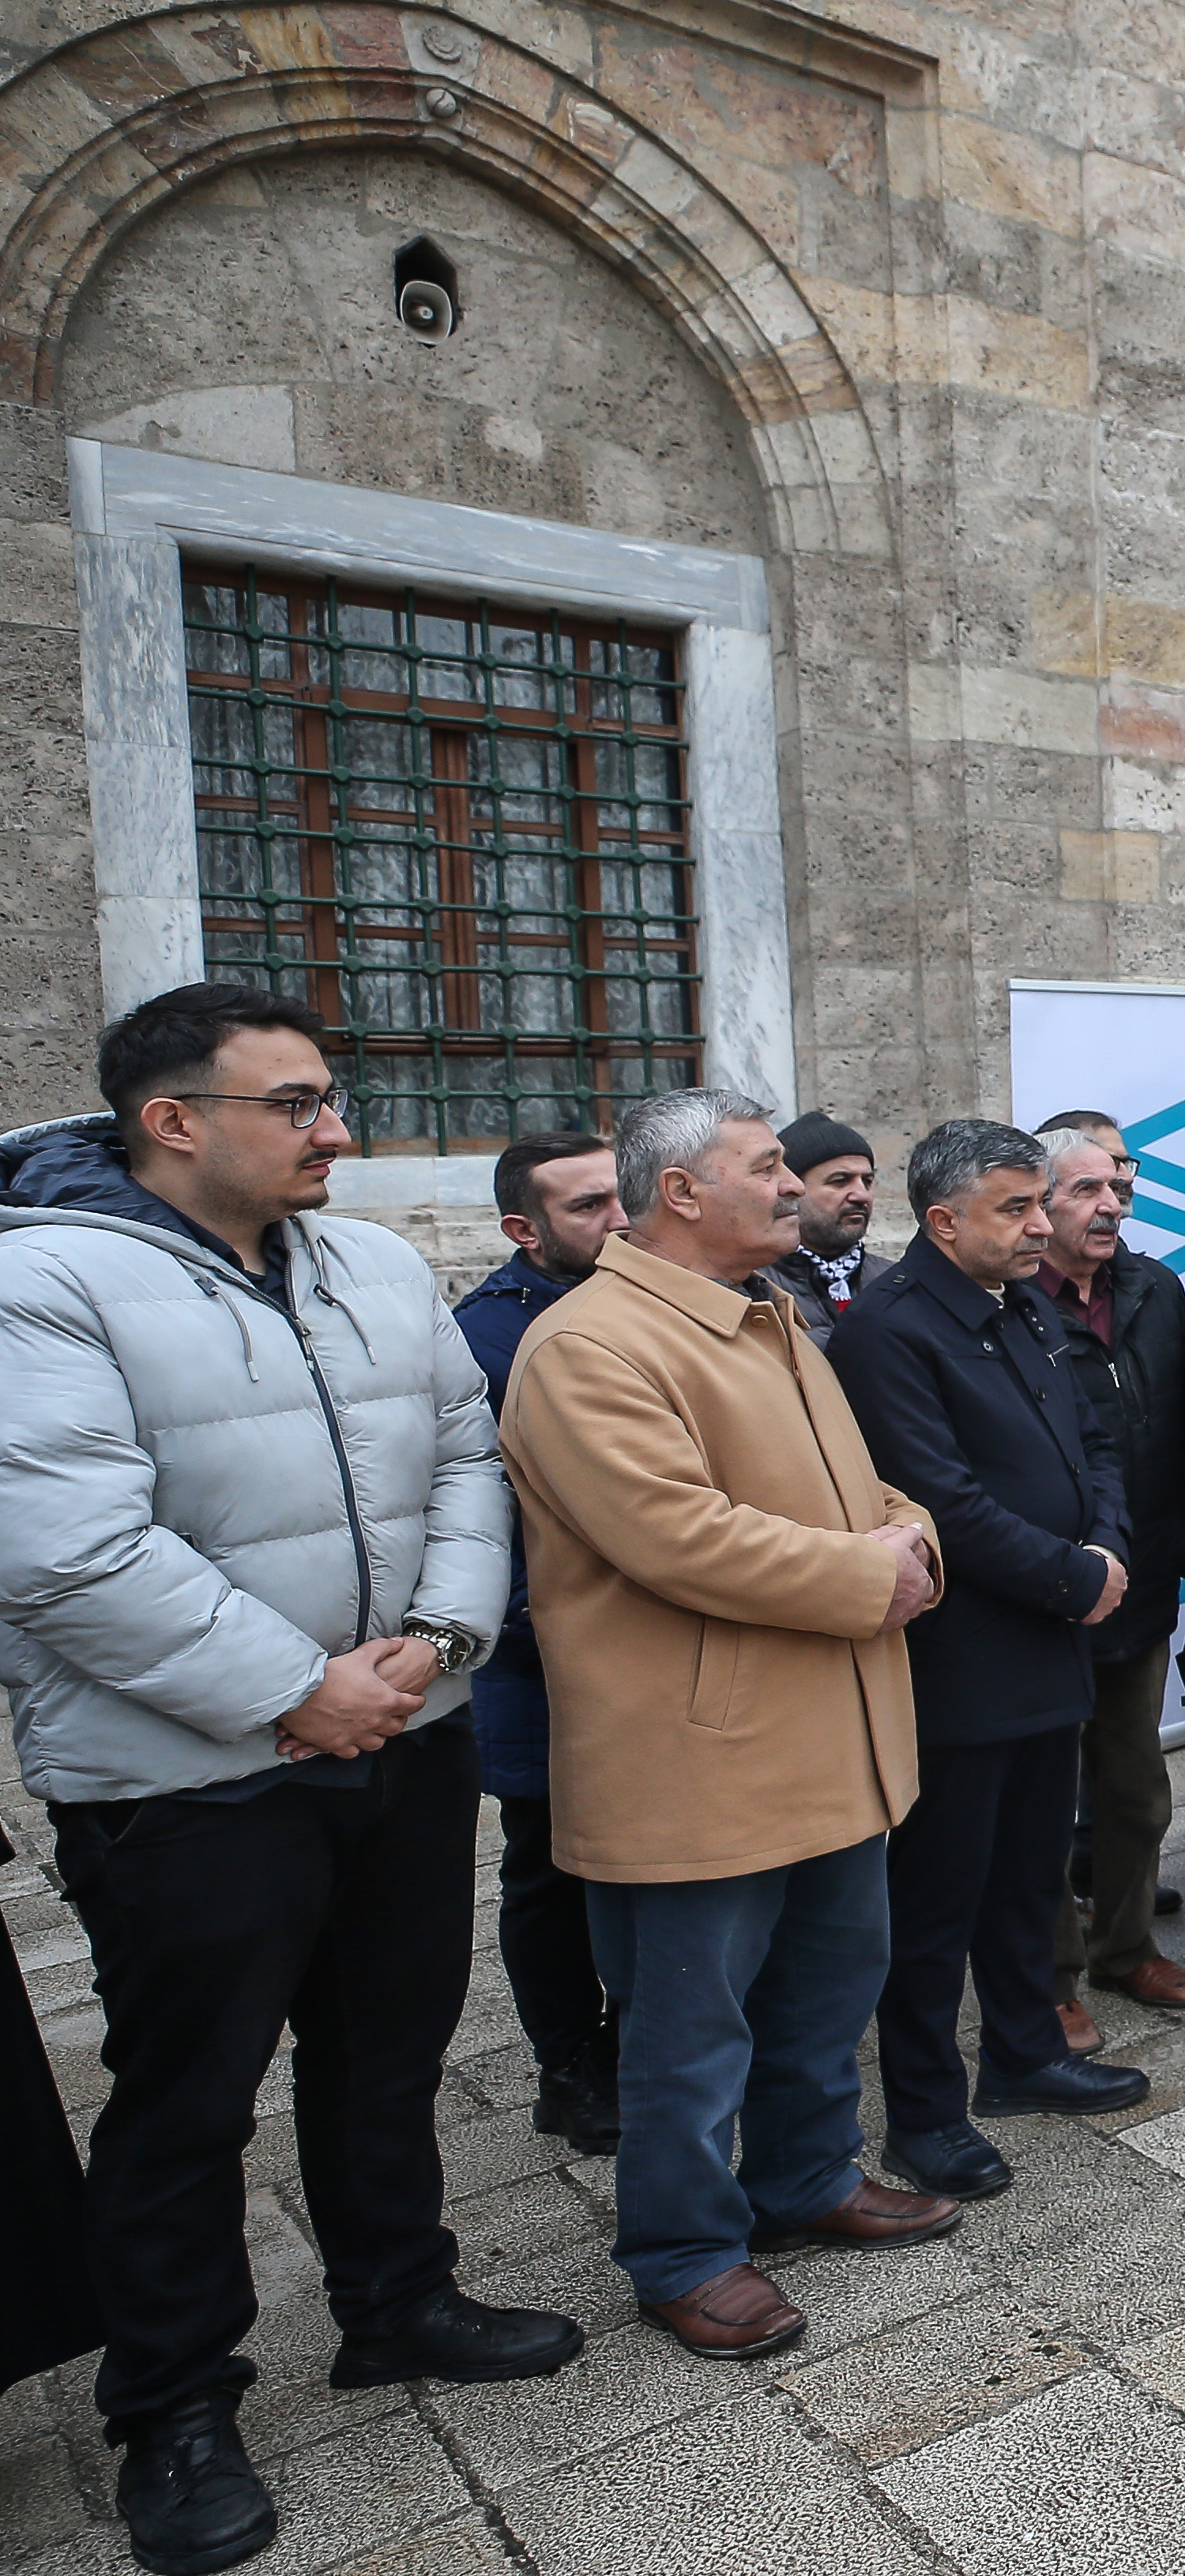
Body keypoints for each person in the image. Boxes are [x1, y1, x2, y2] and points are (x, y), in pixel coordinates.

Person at [0, 986, 564, 2570]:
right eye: (298, 1104)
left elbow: (468, 1457)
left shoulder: (370, 1263)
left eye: (332, 1097)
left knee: (388, 2051)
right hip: (187, 1778)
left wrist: (434, 1643)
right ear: (173, 1121)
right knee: (186, 2099)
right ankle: (174, 2406)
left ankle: (399, 2298)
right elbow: (67, 1550)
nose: (338, 1131)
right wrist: (294, 1690)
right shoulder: (41, 1285)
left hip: (404, 1738)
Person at [503, 1085, 954, 2367]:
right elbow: (674, 1536)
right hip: (700, 1754)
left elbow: (858, 1488)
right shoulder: (589, 1345)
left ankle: (806, 2178)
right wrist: (872, 1572)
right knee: (689, 2030)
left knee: (824, 1993)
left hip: (830, 1739)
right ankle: (687, 2252)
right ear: (681, 1191)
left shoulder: (769, 1316)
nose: (796, 1185)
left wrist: (911, 1532)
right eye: (766, 1167)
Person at [826, 1121, 1153, 2199]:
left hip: (1051, 1644)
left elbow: (1093, 1444)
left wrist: (1105, 1549)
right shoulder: (890, 1332)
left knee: (1027, 1878)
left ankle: (1025, 2053)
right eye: (1016, 1208)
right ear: (942, 1220)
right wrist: (1071, 1575)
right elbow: (942, 1502)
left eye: (1038, 1203)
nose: (1039, 1225)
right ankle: (927, 2114)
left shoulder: (1022, 1306)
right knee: (937, 1902)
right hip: (961, 1659)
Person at [1021, 1117, 1185, 2026]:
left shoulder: (1153, 1288)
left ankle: (1126, 1949)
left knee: (1137, 1791)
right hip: (1041, 1593)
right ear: (1039, 1204)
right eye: (1088, 1191)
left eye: (1121, 1188)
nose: (1112, 1206)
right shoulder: (1005, 1302)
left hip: (1139, 1583)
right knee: (1037, 1806)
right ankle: (1050, 1982)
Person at [453, 1131, 634, 2156]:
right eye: (587, 1206)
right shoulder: (485, 1340)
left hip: (648, 1656)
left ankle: (641, 2038)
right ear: (525, 1229)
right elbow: (482, 1523)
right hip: (546, 1667)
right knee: (550, 1874)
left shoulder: (650, 1303)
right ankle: (569, 2068)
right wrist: (566, 1618)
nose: (619, 1219)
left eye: (621, 1195)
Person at [766, 1111, 883, 1342]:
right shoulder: (755, 1286)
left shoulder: (895, 1280)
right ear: (793, 1190)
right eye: (840, 1181)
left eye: (867, 1182)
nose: (861, 1195)